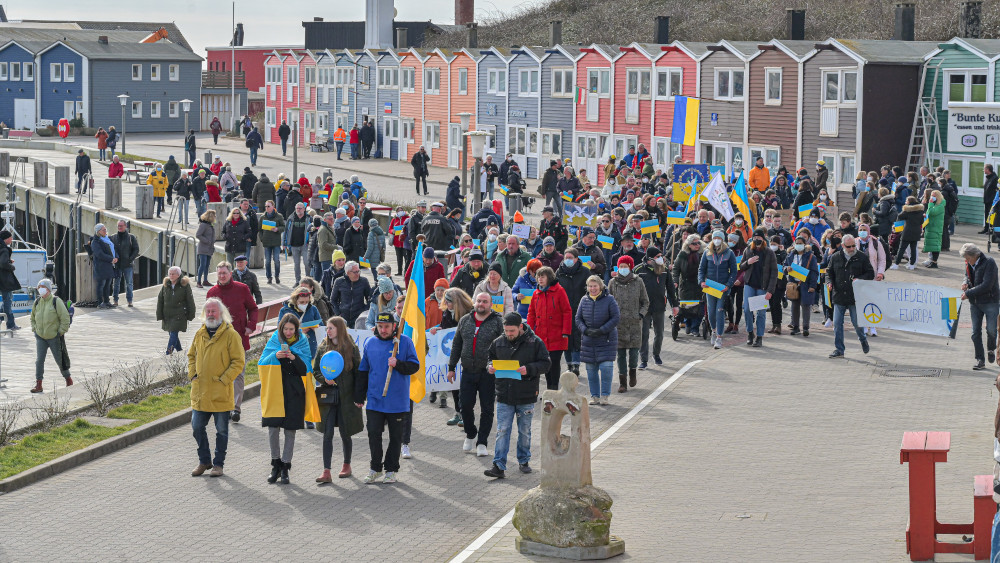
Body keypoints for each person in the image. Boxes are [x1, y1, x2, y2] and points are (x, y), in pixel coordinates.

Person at [354, 311, 420, 484]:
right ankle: (375, 468)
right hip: (375, 399)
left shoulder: (404, 342)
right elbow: (363, 370)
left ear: (394, 327)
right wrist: (359, 395)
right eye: (380, 326)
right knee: (373, 434)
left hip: (397, 401)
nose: (383, 330)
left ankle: (391, 469)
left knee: (395, 437)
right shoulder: (370, 342)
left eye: (387, 327)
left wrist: (398, 363)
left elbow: (414, 366)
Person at [483, 312, 550, 479]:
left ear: (521, 327)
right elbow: (490, 358)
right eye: (506, 331)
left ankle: (524, 460)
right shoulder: (498, 343)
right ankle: (498, 465)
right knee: (502, 430)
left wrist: (530, 369)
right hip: (504, 394)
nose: (508, 334)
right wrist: (490, 367)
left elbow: (546, 364)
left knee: (525, 431)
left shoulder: (535, 342)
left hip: (526, 394)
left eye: (511, 331)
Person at [186, 297, 244, 477]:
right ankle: (204, 461)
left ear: (221, 313)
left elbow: (238, 361)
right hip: (201, 392)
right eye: (208, 311)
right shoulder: (199, 333)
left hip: (220, 392)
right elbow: (191, 356)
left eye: (214, 311)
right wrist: (193, 373)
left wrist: (224, 379)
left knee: (222, 431)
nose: (211, 314)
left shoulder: (231, 335)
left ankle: (219, 464)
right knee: (196, 427)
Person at [259, 312, 317, 484]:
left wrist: (294, 357)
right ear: (281, 328)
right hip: (275, 391)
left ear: (296, 329)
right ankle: (275, 464)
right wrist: (275, 356)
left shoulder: (303, 341)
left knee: (290, 430)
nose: (288, 332)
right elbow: (262, 363)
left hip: (294, 392)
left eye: (292, 329)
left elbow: (306, 368)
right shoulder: (275, 340)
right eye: (285, 329)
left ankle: (285, 467)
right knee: (273, 428)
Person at [448, 292, 505, 457]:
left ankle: (482, 442)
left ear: (491, 304)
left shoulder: (498, 322)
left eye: (485, 301)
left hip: (488, 373)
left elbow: (503, 346)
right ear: (474, 302)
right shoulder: (465, 320)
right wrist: (451, 367)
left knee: (487, 409)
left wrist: (499, 366)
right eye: (479, 301)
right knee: (464, 406)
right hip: (467, 371)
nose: (481, 304)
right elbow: (457, 344)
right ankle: (470, 433)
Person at [314, 316, 364, 482]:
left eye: (331, 328)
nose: (327, 331)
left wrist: (359, 397)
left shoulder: (351, 347)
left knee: (345, 432)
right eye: (327, 328)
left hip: (346, 398)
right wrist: (324, 379)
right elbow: (316, 370)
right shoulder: (323, 347)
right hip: (328, 398)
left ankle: (346, 465)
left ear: (339, 329)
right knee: (327, 433)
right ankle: (326, 471)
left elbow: (359, 373)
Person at [207, 262, 259, 421]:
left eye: (224, 273)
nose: (222, 276)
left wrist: (250, 326)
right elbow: (208, 315)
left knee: (237, 373)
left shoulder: (242, 289)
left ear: (230, 273)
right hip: (219, 340)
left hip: (239, 338)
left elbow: (253, 308)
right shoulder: (212, 292)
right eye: (219, 273)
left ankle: (236, 408)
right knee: (220, 373)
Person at [826, 234, 874, 358]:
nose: (852, 248)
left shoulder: (861, 257)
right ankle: (839, 349)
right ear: (842, 246)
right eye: (849, 246)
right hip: (839, 296)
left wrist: (860, 279)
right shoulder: (835, 257)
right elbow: (828, 272)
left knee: (857, 323)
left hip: (855, 297)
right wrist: (829, 282)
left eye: (853, 246)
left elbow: (870, 273)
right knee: (837, 323)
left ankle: (863, 339)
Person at [576, 275, 620, 405]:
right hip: (589, 341)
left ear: (600, 286)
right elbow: (578, 318)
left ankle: (605, 396)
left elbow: (616, 317)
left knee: (606, 368)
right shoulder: (584, 300)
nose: (593, 288)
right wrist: (585, 330)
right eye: (590, 286)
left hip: (606, 339)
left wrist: (602, 330)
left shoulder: (609, 299)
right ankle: (595, 396)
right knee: (591, 371)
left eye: (595, 285)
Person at [607, 256, 648, 392]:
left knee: (634, 352)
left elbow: (645, 301)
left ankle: (632, 372)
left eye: (625, 266)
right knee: (621, 354)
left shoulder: (638, 281)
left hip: (635, 323)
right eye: (621, 266)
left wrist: (640, 314)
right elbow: (608, 301)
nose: (623, 269)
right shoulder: (613, 282)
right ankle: (622, 382)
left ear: (630, 267)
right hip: (618, 324)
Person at [527, 266, 571, 390]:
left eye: (543, 277)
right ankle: (549, 389)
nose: (540, 279)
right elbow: (531, 314)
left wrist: (566, 331)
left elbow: (567, 311)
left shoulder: (559, 291)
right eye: (538, 277)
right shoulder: (536, 293)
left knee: (555, 362)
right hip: (541, 334)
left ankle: (554, 388)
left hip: (557, 334)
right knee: (546, 362)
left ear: (549, 277)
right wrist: (529, 331)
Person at [28, 278, 71, 393]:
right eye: (39, 288)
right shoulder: (37, 302)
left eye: (43, 288)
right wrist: (34, 329)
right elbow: (32, 317)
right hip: (40, 337)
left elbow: (65, 318)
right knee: (39, 361)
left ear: (49, 289)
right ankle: (39, 384)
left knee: (60, 359)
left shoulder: (56, 301)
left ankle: (68, 379)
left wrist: (60, 332)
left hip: (54, 337)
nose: (40, 290)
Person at [699, 229, 738, 349]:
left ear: (722, 240)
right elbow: (701, 269)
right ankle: (714, 331)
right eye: (715, 238)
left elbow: (734, 271)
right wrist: (701, 282)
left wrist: (728, 284)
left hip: (722, 288)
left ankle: (719, 338)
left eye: (719, 238)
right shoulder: (707, 252)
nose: (717, 240)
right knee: (711, 312)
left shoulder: (729, 253)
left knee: (719, 311)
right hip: (710, 287)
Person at [738, 227, 778, 347]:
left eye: (758, 238)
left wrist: (770, 290)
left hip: (762, 286)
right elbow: (741, 266)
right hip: (750, 284)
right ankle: (750, 333)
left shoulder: (769, 253)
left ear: (763, 239)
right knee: (746, 309)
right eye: (754, 238)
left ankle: (759, 336)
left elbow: (774, 273)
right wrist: (748, 262)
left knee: (761, 312)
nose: (756, 240)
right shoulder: (748, 250)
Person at [636, 247, 673, 367]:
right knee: (644, 334)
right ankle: (644, 359)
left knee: (659, 333)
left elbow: (671, 289)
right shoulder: (638, 270)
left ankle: (656, 355)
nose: (661, 258)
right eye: (658, 256)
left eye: (661, 256)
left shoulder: (664, 270)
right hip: (643, 307)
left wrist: (675, 305)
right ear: (650, 258)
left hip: (659, 306)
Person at [784, 231, 820, 336]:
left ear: (804, 244)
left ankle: (805, 327)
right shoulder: (790, 255)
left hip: (806, 284)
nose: (798, 245)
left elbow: (814, 272)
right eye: (797, 243)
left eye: (800, 243)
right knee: (794, 306)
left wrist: (813, 286)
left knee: (806, 305)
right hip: (793, 284)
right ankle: (795, 327)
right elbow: (784, 266)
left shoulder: (810, 257)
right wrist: (787, 268)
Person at [156, 266, 196, 355]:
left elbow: (190, 300)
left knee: (173, 333)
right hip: (167, 315)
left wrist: (191, 314)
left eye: (173, 274)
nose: (171, 276)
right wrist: (159, 314)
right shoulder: (166, 285)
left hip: (179, 314)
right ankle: (180, 351)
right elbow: (160, 300)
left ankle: (168, 352)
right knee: (172, 334)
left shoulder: (184, 285)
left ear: (178, 275)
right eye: (170, 274)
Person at [330, 261, 372, 327]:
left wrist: (364, 311)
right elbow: (333, 300)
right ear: (348, 273)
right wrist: (338, 313)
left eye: (358, 271)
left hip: (358, 317)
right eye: (355, 272)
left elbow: (370, 299)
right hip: (343, 316)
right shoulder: (339, 281)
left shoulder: (364, 281)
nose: (358, 274)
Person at [111, 220, 139, 307]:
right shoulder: (114, 237)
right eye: (118, 226)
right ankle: (115, 300)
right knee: (116, 283)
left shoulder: (131, 237)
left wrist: (130, 259)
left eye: (121, 226)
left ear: (125, 226)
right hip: (117, 265)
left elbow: (136, 249)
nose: (119, 227)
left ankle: (130, 301)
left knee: (129, 283)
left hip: (128, 265)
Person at [257, 201, 285, 284]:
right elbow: (260, 230)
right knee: (268, 261)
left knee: (276, 259)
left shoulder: (279, 216)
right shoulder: (263, 217)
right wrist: (262, 238)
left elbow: (283, 227)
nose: (267, 208)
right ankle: (269, 277)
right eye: (266, 206)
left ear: (273, 206)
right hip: (266, 241)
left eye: (268, 206)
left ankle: (277, 276)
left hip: (276, 241)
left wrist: (277, 229)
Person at [91, 223, 117, 309]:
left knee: (108, 284)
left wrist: (115, 257)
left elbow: (112, 249)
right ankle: (100, 302)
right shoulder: (95, 241)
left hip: (109, 265)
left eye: (105, 229)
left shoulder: (107, 239)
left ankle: (106, 301)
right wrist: (111, 259)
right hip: (101, 266)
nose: (105, 231)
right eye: (103, 230)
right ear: (98, 232)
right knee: (101, 284)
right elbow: (99, 254)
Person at [0, 230, 20, 331]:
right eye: (11, 237)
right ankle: (11, 324)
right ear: (6, 238)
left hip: (1, 279)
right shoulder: (4, 249)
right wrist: (11, 266)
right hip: (5, 280)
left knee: (6, 300)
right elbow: (3, 264)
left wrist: (8, 260)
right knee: (8, 300)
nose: (12, 239)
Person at [922, 189, 945, 269]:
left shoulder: (940, 206)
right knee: (932, 245)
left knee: (935, 245)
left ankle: (934, 262)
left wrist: (930, 203)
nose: (932, 197)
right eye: (932, 195)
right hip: (931, 226)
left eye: (934, 196)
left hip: (936, 227)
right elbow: (930, 212)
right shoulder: (935, 205)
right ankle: (932, 261)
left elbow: (932, 212)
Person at [195, 210, 216, 288]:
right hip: (203, 248)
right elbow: (198, 235)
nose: (215, 217)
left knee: (207, 265)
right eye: (214, 216)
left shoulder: (210, 225)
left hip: (209, 248)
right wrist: (207, 241)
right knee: (202, 265)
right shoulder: (203, 225)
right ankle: (199, 281)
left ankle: (205, 280)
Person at [981, 164, 998, 234]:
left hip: (992, 200)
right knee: (986, 215)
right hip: (986, 200)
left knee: (991, 215)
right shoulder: (988, 178)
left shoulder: (995, 178)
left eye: (984, 169)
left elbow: (996, 189)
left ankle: (991, 230)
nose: (983, 170)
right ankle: (986, 228)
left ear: (988, 170)